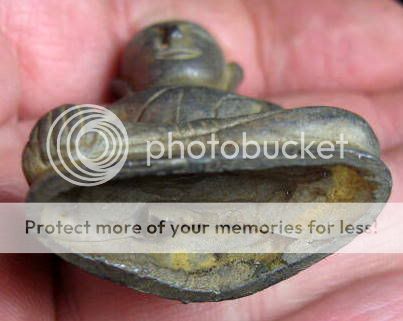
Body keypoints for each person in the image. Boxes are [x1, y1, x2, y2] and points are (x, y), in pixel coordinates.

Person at [0, 0, 402, 320]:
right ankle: (197, 146)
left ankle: (192, 146)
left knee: (352, 131)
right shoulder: (121, 112)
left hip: (232, 152)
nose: (172, 34)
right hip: (140, 174)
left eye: (193, 35)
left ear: (229, 75)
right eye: (152, 40)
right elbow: (53, 153)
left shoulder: (251, 106)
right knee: (56, 133)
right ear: (123, 85)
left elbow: (336, 135)